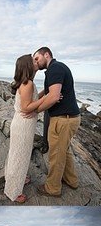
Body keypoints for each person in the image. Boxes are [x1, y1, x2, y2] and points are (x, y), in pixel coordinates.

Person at [31, 47, 82, 197]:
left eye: (37, 58)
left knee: (56, 156)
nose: (35, 62)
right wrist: (34, 99)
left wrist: (34, 111)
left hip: (63, 120)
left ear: (46, 55)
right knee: (64, 152)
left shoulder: (55, 69)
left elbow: (53, 97)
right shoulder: (57, 68)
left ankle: (52, 188)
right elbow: (48, 92)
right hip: (69, 118)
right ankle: (71, 181)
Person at [4, 55, 47, 203]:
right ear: (27, 65)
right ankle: (13, 192)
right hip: (23, 125)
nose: (37, 62)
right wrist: (46, 99)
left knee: (16, 154)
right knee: (20, 156)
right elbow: (26, 107)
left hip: (21, 123)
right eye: (33, 60)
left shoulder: (26, 83)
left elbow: (31, 100)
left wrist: (43, 94)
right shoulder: (27, 84)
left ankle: (16, 179)